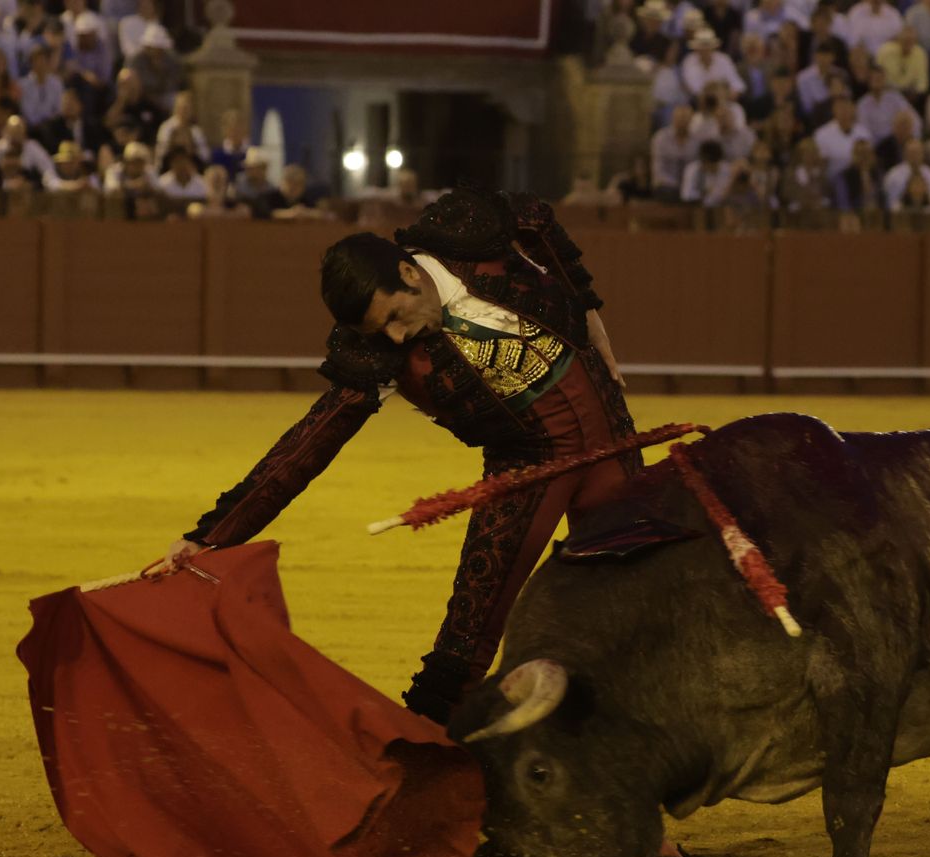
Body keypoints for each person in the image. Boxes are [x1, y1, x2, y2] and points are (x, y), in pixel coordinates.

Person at [155, 187, 640, 735]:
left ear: (410, 276)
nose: (395, 336)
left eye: (393, 317)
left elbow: (536, 216)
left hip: (612, 438)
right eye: (379, 332)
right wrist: (212, 534)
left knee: (644, 596)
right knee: (469, 629)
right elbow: (309, 444)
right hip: (526, 463)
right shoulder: (377, 351)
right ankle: (427, 755)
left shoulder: (467, 232)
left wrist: (589, 310)